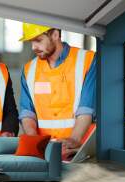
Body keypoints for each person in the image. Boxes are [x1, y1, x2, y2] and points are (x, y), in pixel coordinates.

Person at [18, 23, 96, 156]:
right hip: (45, 152)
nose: (33, 47)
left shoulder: (88, 60)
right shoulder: (28, 69)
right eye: (31, 41)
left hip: (79, 151)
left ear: (55, 34)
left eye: (38, 40)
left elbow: (86, 108)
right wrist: (35, 143)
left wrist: (73, 140)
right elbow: (27, 112)